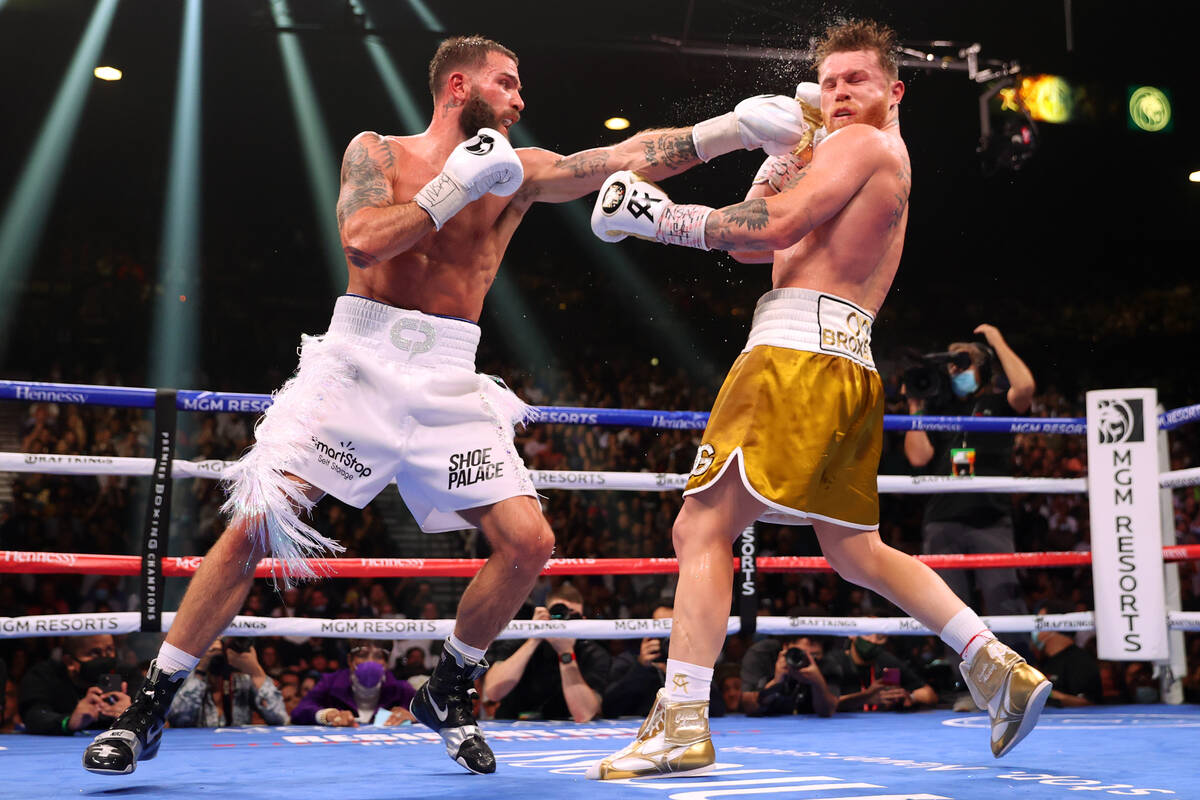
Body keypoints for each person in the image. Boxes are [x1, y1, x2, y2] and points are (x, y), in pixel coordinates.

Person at [81, 35, 811, 777]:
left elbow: (614, 162)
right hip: (358, 366)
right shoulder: (378, 153)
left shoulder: (519, 173)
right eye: (509, 82)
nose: (522, 99)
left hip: (448, 375)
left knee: (528, 543)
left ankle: (452, 683)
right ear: (459, 86)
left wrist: (729, 131)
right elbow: (363, 242)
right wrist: (450, 189)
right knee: (253, 528)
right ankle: (150, 705)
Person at [586, 20, 1051, 780]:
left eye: (856, 81)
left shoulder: (866, 145)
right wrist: (778, 155)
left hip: (792, 357)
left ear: (892, 92)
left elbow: (775, 228)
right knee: (854, 550)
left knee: (700, 525)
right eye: (829, 81)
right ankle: (995, 663)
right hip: (843, 362)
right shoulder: (851, 155)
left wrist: (654, 216)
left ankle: (681, 721)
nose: (838, 93)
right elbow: (751, 242)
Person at [902, 325, 1036, 641]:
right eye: (951, 367)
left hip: (990, 518)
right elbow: (918, 458)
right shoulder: (936, 408)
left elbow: (1026, 387)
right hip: (942, 518)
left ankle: (1019, 674)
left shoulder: (999, 404)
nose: (955, 372)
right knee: (949, 608)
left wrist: (995, 340)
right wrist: (914, 406)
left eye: (963, 366)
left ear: (982, 370)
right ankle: (962, 681)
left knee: (1004, 600)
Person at [482, 583, 610, 722]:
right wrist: (534, 637)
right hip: (516, 727)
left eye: (573, 616)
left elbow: (584, 714)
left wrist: (566, 653)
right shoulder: (521, 641)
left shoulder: (594, 654)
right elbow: (493, 692)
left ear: (583, 621)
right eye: (558, 614)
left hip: (567, 733)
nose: (564, 621)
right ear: (546, 614)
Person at [19, 634, 134, 735]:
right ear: (69, 662)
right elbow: (33, 716)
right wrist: (68, 722)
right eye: (95, 653)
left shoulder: (127, 673)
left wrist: (132, 713)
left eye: (110, 650)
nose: (105, 658)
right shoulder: (44, 676)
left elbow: (149, 715)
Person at [166, 638, 288, 727]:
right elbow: (178, 720)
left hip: (238, 751)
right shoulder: (189, 678)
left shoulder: (244, 680)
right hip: (197, 752)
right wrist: (200, 670)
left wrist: (257, 674)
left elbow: (279, 717)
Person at [290, 641, 416, 726]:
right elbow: (299, 711)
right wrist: (328, 715)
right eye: (362, 655)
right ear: (350, 661)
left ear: (386, 663)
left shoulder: (402, 688)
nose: (370, 662)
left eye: (378, 656)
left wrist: (415, 717)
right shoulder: (330, 682)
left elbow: (429, 714)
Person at [823, 634, 937, 711]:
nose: (873, 641)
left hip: (883, 728)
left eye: (879, 637)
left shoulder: (887, 660)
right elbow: (826, 704)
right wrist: (866, 697)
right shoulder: (834, 661)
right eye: (867, 634)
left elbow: (929, 694)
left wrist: (909, 697)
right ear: (853, 634)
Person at [739, 634, 837, 717]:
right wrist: (776, 682)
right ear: (785, 647)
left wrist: (818, 682)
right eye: (800, 654)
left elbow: (827, 712)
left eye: (814, 655)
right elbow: (749, 707)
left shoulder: (828, 662)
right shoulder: (763, 654)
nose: (805, 660)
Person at [1027, 601, 1101, 708]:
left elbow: (1089, 703)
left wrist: (1049, 694)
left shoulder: (1080, 662)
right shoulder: (1043, 661)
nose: (1035, 627)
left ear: (1056, 625)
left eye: (1040, 621)